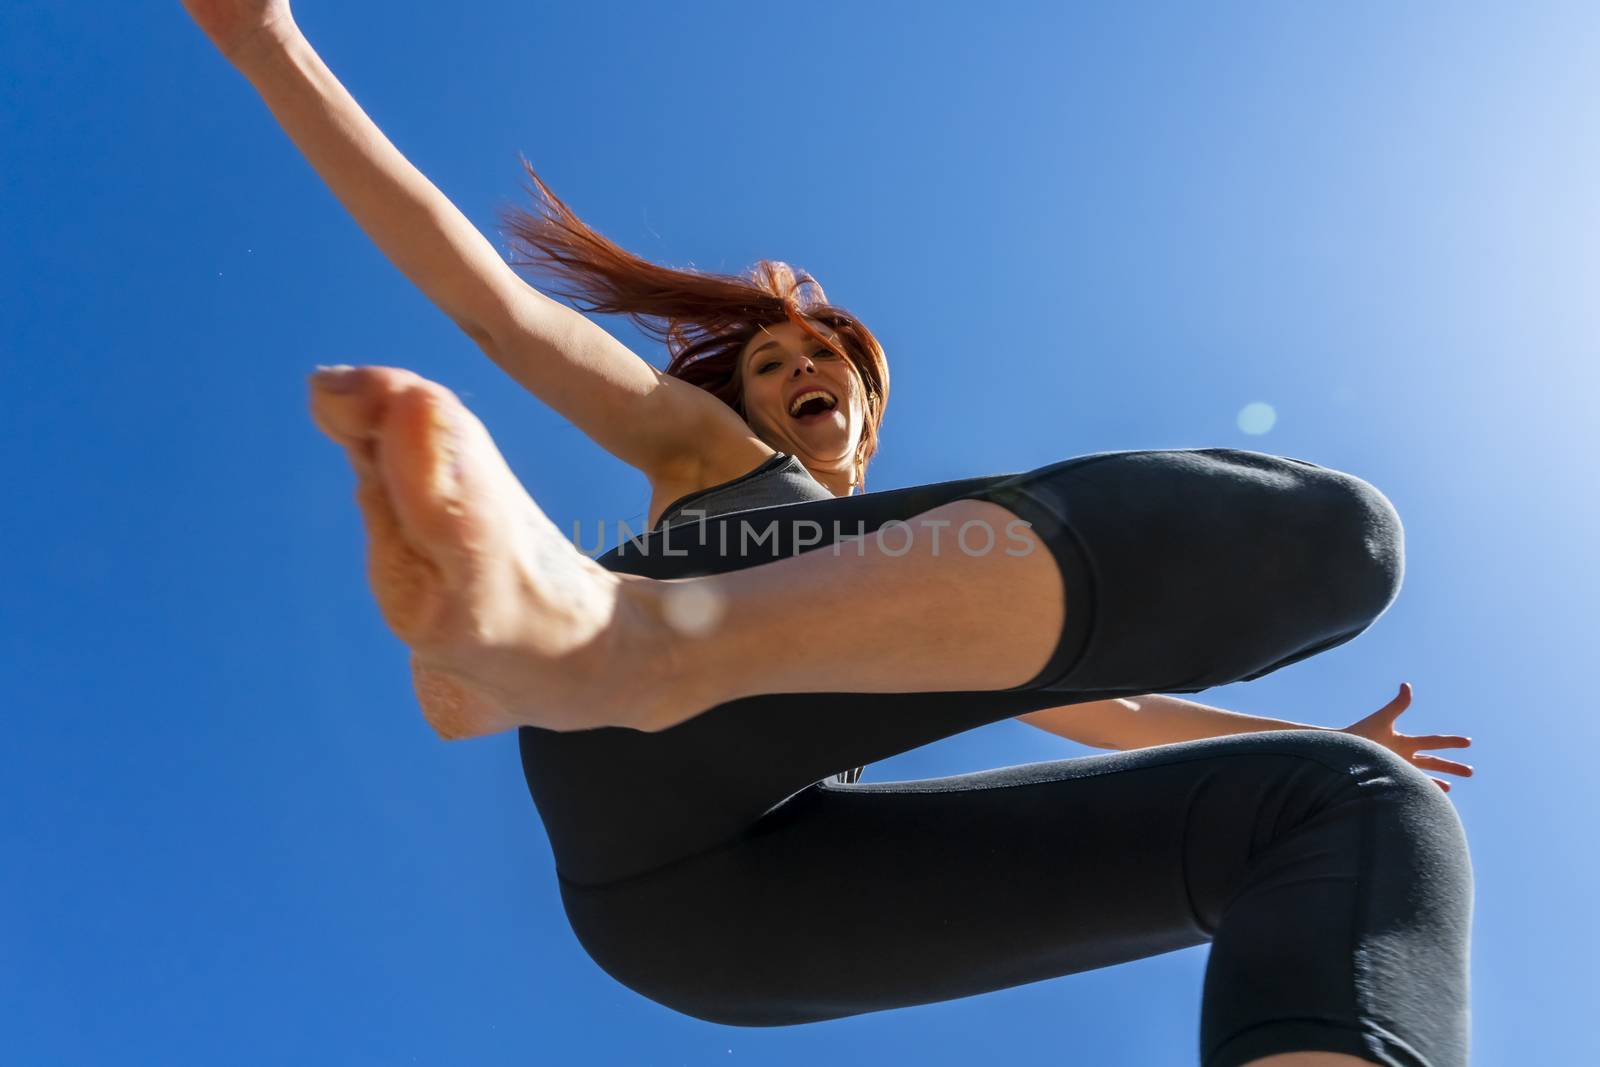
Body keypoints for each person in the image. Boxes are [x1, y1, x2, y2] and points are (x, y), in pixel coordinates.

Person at [183, 3, 1476, 1064]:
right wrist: (268, 44)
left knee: (1359, 788)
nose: (802, 365)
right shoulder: (712, 460)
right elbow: (504, 313)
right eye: (771, 360)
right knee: (1315, 536)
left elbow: (1111, 714)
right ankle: (603, 644)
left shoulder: (956, 585)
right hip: (636, 787)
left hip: (747, 927)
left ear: (865, 408)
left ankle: (597, 653)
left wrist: (1319, 735)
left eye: (827, 356)